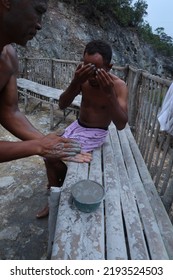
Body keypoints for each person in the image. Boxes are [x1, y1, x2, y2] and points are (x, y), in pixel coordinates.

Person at [0, 0, 91, 217]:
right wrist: (38, 147)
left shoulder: (9, 56)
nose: (40, 25)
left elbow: (9, 111)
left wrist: (50, 147)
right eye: (38, 11)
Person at [38, 39, 128, 217]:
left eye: (95, 70)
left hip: (96, 132)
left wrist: (109, 94)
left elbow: (121, 124)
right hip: (77, 126)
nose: (90, 75)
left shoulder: (118, 86)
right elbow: (63, 105)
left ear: (109, 67)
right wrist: (75, 82)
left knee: (50, 157)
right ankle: (57, 189)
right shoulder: (83, 78)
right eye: (86, 67)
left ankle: (55, 196)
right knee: (48, 152)